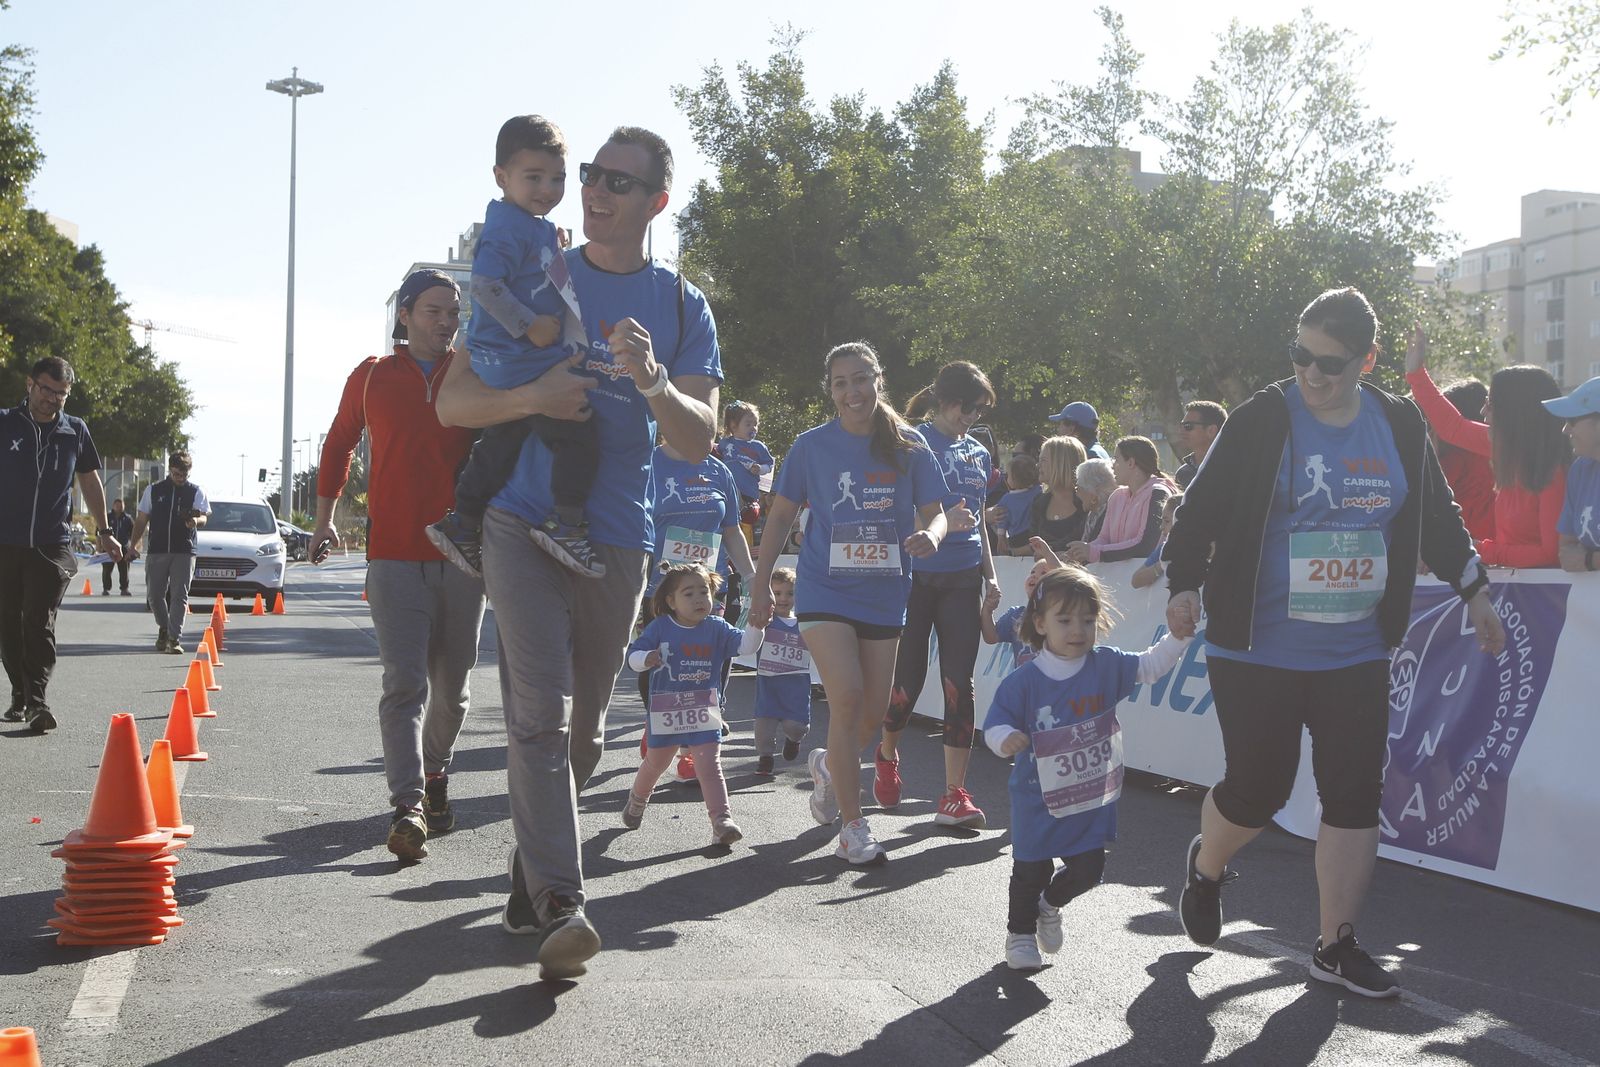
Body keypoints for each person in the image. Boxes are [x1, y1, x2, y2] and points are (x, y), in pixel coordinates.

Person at [435, 125, 721, 980]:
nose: (596, 191)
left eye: (619, 183)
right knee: (537, 713)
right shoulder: (537, 262)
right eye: (591, 176)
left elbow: (699, 440)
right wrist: (534, 395)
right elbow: (452, 403)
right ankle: (565, 897)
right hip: (519, 520)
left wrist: (654, 381)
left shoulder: (680, 305)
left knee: (587, 735)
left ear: (655, 202)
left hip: (617, 535)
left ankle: (529, 879)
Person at [1164, 287, 1505, 999]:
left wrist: (1474, 591)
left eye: (1331, 363)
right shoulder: (1263, 417)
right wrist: (1184, 583)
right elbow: (1199, 511)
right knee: (1258, 790)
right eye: (1301, 357)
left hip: (1355, 649)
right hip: (1257, 645)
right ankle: (1207, 865)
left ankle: (1335, 944)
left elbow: (1438, 516)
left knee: (1354, 793)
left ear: (1368, 360)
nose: (1312, 376)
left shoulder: (1399, 421)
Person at [749, 341, 950, 864]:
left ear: (878, 380)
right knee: (847, 698)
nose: (851, 391)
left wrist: (932, 533)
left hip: (884, 594)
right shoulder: (811, 446)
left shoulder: (910, 445)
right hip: (824, 589)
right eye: (840, 383)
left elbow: (938, 511)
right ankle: (852, 826)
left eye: (860, 379)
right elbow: (777, 516)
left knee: (872, 715)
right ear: (830, 390)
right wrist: (758, 581)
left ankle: (825, 767)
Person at [311, 269, 487, 864]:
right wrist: (324, 518)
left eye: (453, 312)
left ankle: (435, 774)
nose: (446, 321)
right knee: (404, 683)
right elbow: (338, 444)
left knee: (454, 692)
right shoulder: (371, 378)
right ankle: (408, 804)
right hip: (391, 556)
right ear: (406, 314)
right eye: (434, 310)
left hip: (463, 556)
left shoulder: (470, 371)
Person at [984, 564, 1191, 971]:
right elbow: (995, 722)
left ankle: (1049, 905)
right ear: (1039, 624)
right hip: (1036, 798)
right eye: (1064, 620)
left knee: (1089, 869)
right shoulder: (1024, 682)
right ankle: (1020, 935)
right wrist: (1004, 739)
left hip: (1090, 796)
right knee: (1030, 869)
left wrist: (1179, 638)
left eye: (1088, 620)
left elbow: (1150, 666)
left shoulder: (1106, 665)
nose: (1077, 629)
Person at [427, 116, 602, 580]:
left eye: (557, 178)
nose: (547, 188)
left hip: (507, 357)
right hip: (516, 355)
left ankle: (462, 521)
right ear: (501, 177)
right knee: (579, 426)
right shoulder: (507, 226)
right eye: (533, 178)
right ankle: (567, 523)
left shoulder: (530, 223)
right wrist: (531, 327)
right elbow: (484, 284)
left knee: (505, 434)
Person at [878, 361, 1001, 830]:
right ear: (945, 400)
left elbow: (980, 519)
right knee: (906, 686)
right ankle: (887, 753)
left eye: (980, 410)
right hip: (916, 578)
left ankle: (954, 793)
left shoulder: (978, 452)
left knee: (958, 684)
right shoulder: (910, 440)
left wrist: (990, 576)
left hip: (963, 578)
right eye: (967, 407)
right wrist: (938, 522)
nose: (971, 417)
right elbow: (892, 513)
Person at [0, 357, 120, 733]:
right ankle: (20, 693)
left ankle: (38, 702)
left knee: (38, 619)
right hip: (5, 542)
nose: (52, 399)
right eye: (46, 390)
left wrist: (104, 530)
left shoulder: (75, 431)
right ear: (30, 384)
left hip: (51, 544)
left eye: (61, 394)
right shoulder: (5, 423)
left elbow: (90, 482)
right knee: (7, 624)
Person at [639, 435, 756, 779]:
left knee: (711, 661)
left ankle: (694, 747)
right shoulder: (649, 463)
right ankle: (656, 724)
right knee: (660, 664)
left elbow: (732, 529)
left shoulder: (719, 471)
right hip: (661, 589)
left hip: (710, 587)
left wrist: (750, 576)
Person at [623, 562, 763, 842]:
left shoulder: (717, 627)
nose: (699, 599)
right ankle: (637, 799)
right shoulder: (661, 627)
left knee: (709, 765)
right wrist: (646, 658)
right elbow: (632, 657)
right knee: (656, 763)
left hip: (703, 708)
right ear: (670, 601)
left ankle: (722, 821)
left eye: (705, 591)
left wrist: (756, 627)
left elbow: (746, 647)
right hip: (667, 710)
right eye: (689, 594)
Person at [1406, 328, 1569, 567]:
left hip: (1542, 597)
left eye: (1491, 404)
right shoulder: (1506, 448)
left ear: (1516, 414)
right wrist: (1415, 372)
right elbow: (1452, 427)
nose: (1483, 413)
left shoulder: (1554, 473)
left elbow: (1551, 555)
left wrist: (1481, 550)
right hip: (1512, 588)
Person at [129, 451, 210, 654]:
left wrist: (195, 521)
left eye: (183, 475)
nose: (180, 478)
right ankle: (164, 628)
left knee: (179, 595)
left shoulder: (196, 491)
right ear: (170, 470)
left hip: (184, 550)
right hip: (157, 549)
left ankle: (174, 638)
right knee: (154, 596)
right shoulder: (154, 490)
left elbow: (204, 517)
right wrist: (133, 545)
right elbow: (141, 519)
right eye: (176, 474)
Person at [1066, 436, 1174, 565]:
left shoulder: (1158, 493)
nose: (1112, 465)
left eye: (1116, 459)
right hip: (1119, 581)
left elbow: (1145, 545)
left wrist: (1094, 552)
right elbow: (1104, 539)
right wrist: (1081, 551)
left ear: (1131, 463)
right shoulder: (1117, 496)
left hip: (1149, 582)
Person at [752, 566, 812, 775]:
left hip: (796, 688)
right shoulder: (765, 622)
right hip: (769, 688)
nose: (783, 598)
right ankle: (765, 759)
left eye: (790, 593)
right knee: (763, 732)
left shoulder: (806, 622)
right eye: (777, 593)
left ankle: (793, 741)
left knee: (797, 727)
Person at [1542, 375, 1600, 573]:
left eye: (1572, 420)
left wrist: (1590, 560)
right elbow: (1566, 551)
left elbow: (1579, 559)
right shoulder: (1580, 470)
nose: (1565, 430)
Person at [1432, 378, 1497, 544]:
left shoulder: (1454, 459)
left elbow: (1428, 496)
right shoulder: (1499, 452)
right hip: (1495, 542)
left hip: (1465, 545)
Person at [716, 400, 773, 547]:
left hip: (747, 495)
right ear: (734, 425)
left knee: (742, 526)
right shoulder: (725, 443)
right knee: (725, 526)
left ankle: (742, 554)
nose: (753, 428)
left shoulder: (758, 446)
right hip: (727, 491)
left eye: (755, 424)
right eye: (748, 424)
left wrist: (760, 469)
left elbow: (769, 464)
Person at [1018, 436, 1089, 552]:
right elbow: (1033, 542)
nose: (1038, 465)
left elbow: (1081, 538)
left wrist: (1050, 550)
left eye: (1044, 460)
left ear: (1062, 463)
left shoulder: (1086, 501)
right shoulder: (1040, 502)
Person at [984, 453, 1042, 555]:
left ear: (1014, 478)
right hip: (1034, 534)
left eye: (1008, 475)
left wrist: (1001, 537)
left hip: (1015, 538)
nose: (1006, 479)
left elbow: (1002, 519)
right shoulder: (1037, 491)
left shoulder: (1007, 499)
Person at [1130, 492, 1182, 590]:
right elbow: (1136, 581)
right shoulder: (1164, 549)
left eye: (1167, 521)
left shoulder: (1206, 550)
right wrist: (1163, 564)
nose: (1161, 527)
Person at [1174, 401, 1227, 489]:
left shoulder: (1232, 469)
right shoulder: (1183, 473)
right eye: (1181, 426)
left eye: (1188, 426)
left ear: (1211, 430)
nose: (1181, 431)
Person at [1074, 458, 1116, 542]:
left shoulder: (1108, 518)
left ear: (1093, 495)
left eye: (1078, 488)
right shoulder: (1093, 514)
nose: (1076, 494)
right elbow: (1073, 537)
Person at [101, 498, 134, 596]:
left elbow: (133, 533)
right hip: (109, 547)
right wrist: (99, 547)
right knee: (107, 569)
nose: (119, 507)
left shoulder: (128, 519)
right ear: (113, 506)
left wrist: (133, 547)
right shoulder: (107, 517)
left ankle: (124, 588)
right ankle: (106, 588)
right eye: (117, 505)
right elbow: (99, 532)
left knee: (124, 569)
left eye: (121, 506)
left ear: (124, 506)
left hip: (123, 548)